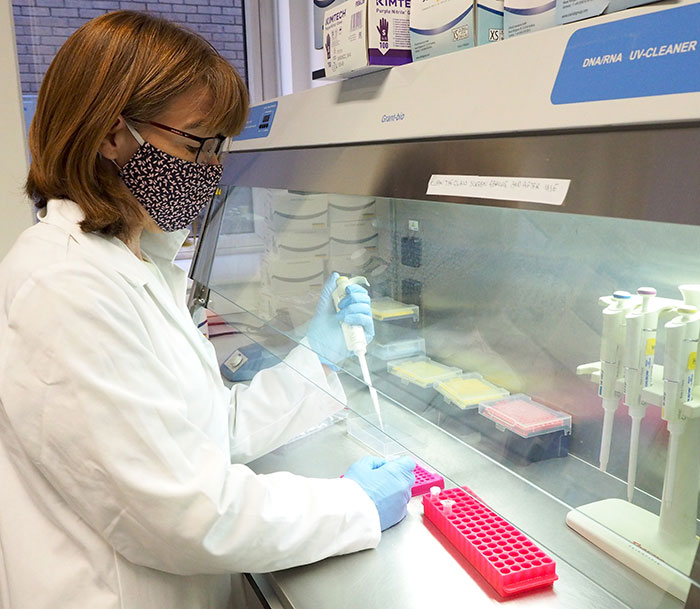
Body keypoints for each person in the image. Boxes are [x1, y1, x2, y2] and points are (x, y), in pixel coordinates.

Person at [0, 11, 415, 609]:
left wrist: (316, 359)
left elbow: (204, 431)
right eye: (197, 142)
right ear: (111, 135)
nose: (214, 167)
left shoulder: (135, 263)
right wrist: (349, 507)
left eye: (222, 145)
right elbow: (182, 515)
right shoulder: (64, 287)